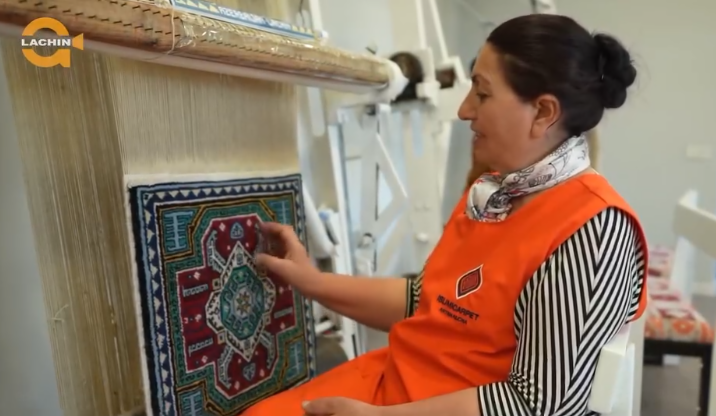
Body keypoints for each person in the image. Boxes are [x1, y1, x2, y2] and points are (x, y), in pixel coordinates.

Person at [244, 13, 647, 416]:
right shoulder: (493, 195)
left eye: (482, 94)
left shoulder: (594, 231)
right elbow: (427, 303)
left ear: (543, 112)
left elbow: (538, 404)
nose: (465, 110)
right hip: (399, 386)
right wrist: (313, 282)